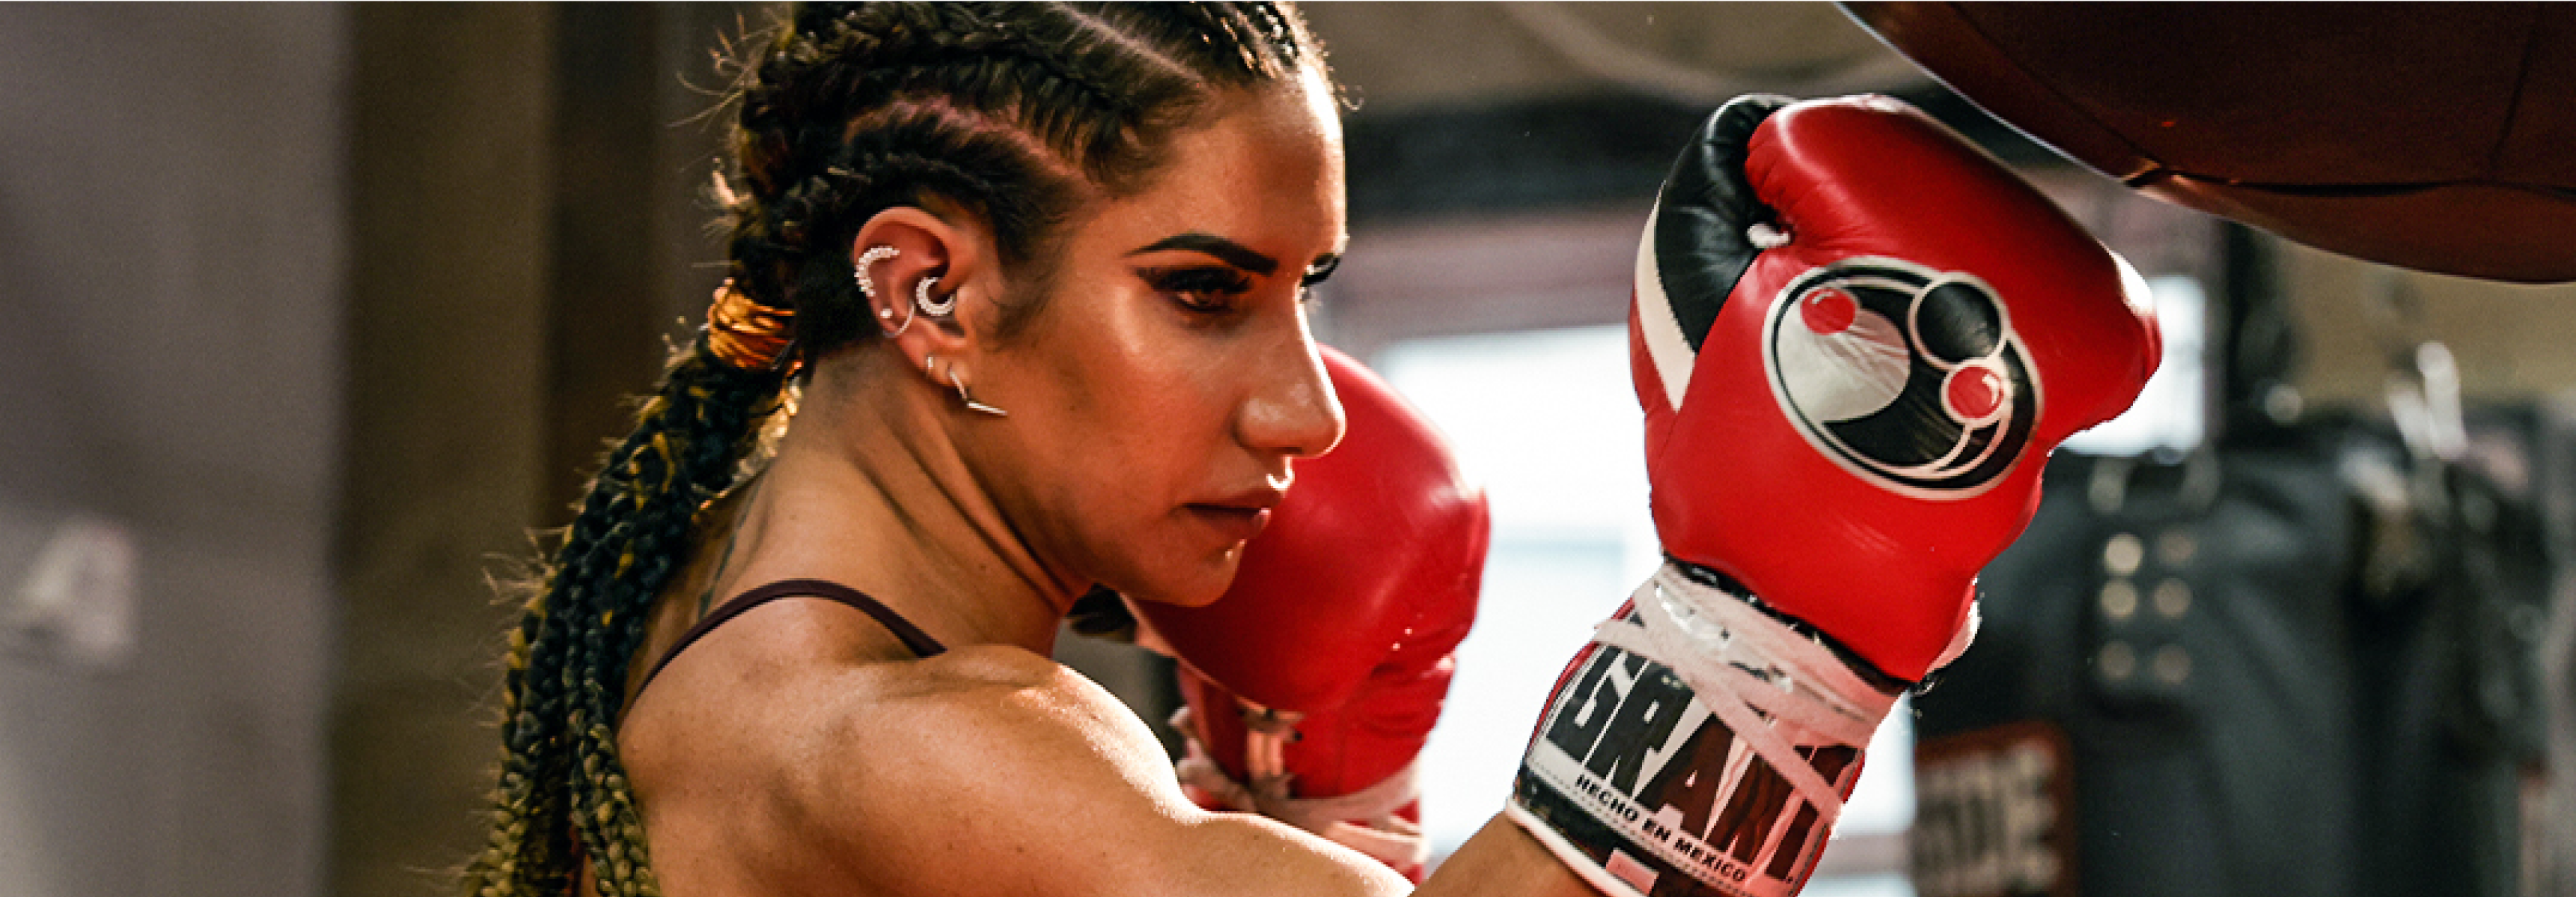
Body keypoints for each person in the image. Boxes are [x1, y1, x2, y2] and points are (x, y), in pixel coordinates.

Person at [460, 4, 2161, 897]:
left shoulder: (700, 609)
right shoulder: (925, 748)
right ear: (931, 291)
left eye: (1307, 292)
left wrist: (1308, 805)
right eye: (1203, 292)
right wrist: (1768, 646)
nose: (1314, 408)